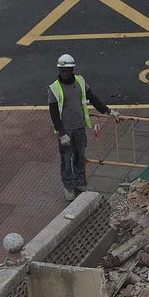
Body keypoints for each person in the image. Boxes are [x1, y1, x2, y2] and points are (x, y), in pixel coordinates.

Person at [47, 54, 111, 201]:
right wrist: (62, 133)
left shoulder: (80, 82)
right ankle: (68, 186)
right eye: (61, 70)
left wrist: (108, 111)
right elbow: (54, 113)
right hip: (65, 130)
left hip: (79, 128)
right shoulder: (54, 89)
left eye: (67, 70)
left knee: (79, 157)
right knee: (66, 159)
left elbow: (93, 98)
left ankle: (79, 182)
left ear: (72, 70)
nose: (64, 73)